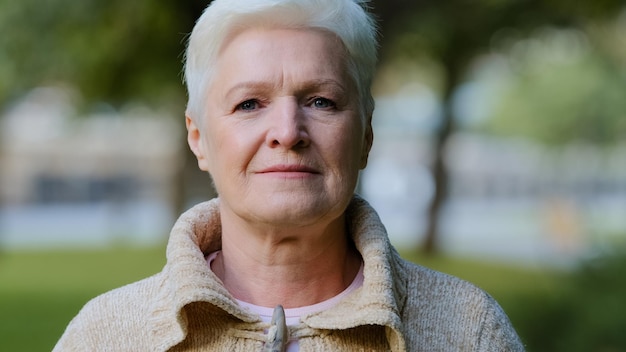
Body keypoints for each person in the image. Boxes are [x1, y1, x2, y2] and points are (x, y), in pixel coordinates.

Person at [53, 0, 525, 351]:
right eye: (249, 104)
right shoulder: (104, 335)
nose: (287, 132)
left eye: (321, 101)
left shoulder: (469, 330)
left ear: (366, 134)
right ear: (198, 138)